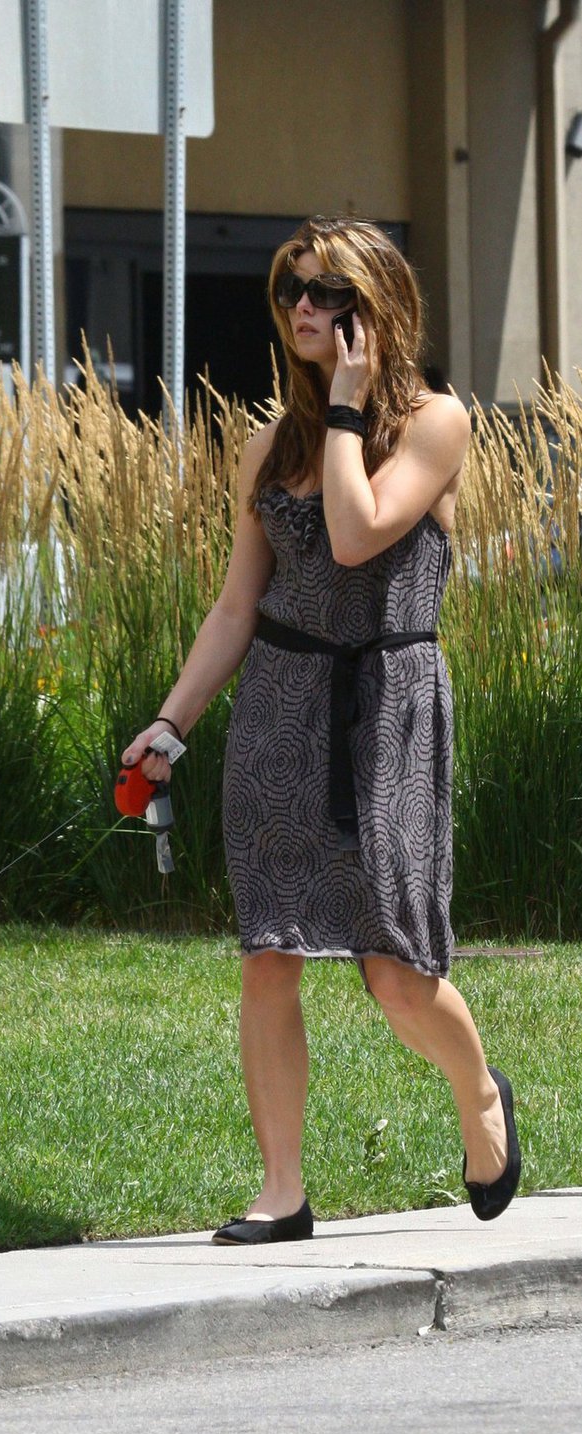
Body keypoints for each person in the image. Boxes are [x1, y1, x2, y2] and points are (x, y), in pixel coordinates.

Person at [121, 215, 520, 1245]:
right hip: (279, 707)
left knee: (394, 972)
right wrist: (171, 721)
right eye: (292, 289)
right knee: (269, 954)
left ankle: (478, 1095)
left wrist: (346, 409)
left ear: (376, 309)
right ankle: (282, 1189)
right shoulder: (269, 446)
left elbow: (351, 540)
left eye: (328, 292)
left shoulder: (436, 421)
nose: (303, 307)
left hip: (385, 708)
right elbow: (233, 609)